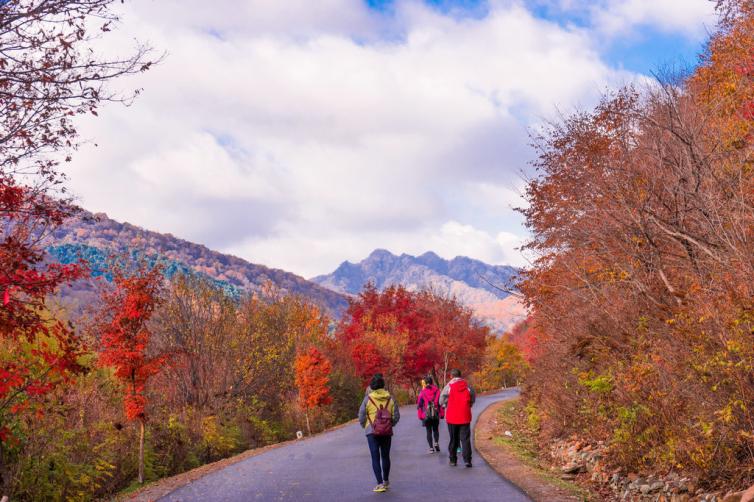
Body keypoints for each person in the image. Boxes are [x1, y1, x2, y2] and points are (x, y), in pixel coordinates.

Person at [359, 374, 400, 493]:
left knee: (375, 457)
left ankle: (380, 483)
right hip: (387, 432)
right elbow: (396, 416)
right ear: (383, 385)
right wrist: (390, 425)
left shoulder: (367, 399)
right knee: (386, 456)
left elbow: (361, 415)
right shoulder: (390, 398)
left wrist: (365, 426)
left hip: (371, 432)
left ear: (372, 386)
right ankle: (386, 481)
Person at [439, 368, 476, 468]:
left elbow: (441, 400)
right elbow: (473, 396)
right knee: (465, 439)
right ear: (460, 376)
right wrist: (469, 404)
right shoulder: (467, 386)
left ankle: (453, 460)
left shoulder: (448, 386)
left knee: (453, 439)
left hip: (452, 416)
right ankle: (467, 460)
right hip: (465, 415)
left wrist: (446, 404)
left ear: (451, 376)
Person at [417, 375, 443, 453]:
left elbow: (419, 404)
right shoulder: (437, 391)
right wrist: (442, 414)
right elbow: (440, 403)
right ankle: (436, 442)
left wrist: (420, 416)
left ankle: (431, 448)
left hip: (426, 414)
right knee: (435, 429)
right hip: (435, 412)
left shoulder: (422, 392)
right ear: (432, 382)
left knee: (428, 431)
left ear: (425, 383)